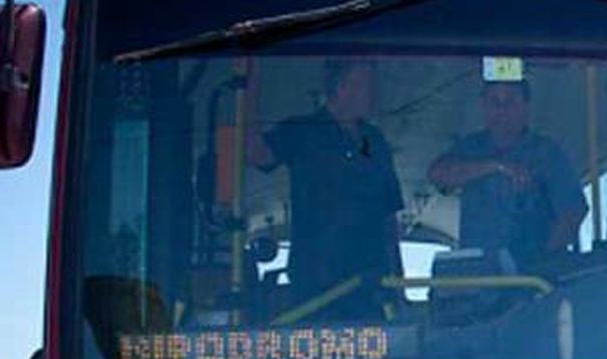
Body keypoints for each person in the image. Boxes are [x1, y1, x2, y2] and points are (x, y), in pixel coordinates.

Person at [247, 59, 404, 319]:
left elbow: (389, 217)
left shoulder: (374, 140)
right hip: (316, 285)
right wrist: (249, 83)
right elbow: (257, 154)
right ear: (341, 87)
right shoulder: (303, 132)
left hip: (368, 282)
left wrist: (397, 283)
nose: (372, 93)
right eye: (365, 84)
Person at [427, 79, 587, 270]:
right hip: (478, 278)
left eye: (509, 101)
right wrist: (496, 166)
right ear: (483, 106)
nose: (501, 110)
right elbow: (437, 175)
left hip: (533, 283)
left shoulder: (548, 153)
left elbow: (573, 213)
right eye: (494, 102)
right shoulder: (470, 148)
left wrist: (541, 260)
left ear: (526, 107)